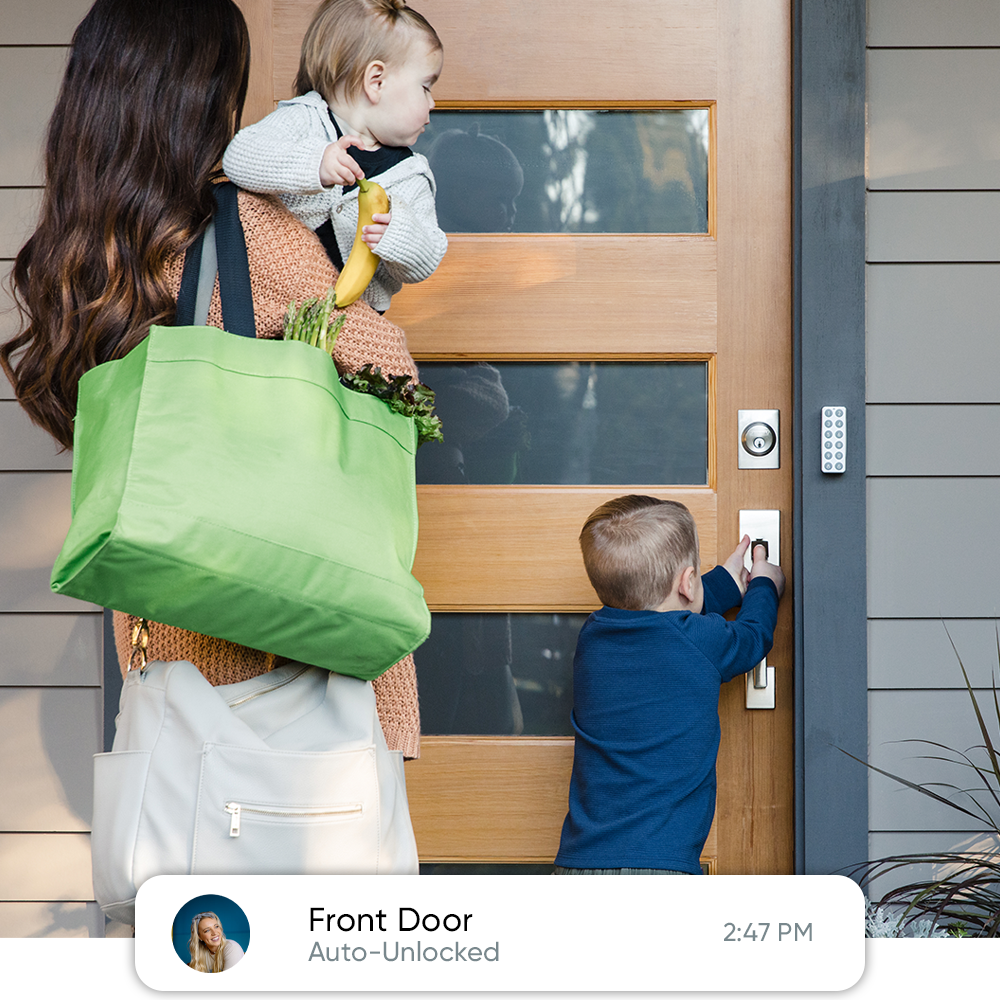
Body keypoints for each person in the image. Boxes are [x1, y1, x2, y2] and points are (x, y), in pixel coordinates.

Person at [0, 0, 421, 758]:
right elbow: (385, 370)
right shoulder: (244, 228)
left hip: (166, 650)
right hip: (290, 658)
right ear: (205, 96)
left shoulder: (81, 254)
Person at [553, 495, 785, 875]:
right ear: (688, 582)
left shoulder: (592, 638)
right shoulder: (701, 640)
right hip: (662, 870)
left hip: (579, 865)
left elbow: (664, 617)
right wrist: (763, 584)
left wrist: (723, 582)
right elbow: (752, 635)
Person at [222, 0, 448, 314]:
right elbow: (238, 158)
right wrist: (314, 164)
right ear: (376, 81)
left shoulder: (409, 176)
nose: (432, 102)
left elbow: (427, 259)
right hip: (270, 303)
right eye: (426, 87)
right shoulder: (305, 120)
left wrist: (399, 235)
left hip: (352, 320)